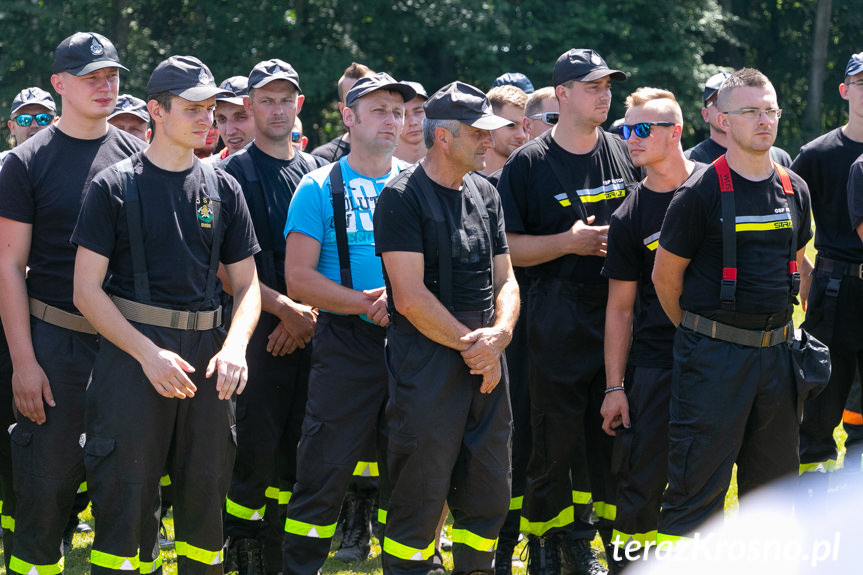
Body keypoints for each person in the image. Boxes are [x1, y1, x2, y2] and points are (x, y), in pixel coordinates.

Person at [72, 54, 261, 574]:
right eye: (194, 108)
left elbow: (247, 286)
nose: (208, 120)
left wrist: (236, 347)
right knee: (126, 506)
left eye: (213, 109)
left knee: (205, 506)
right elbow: (86, 292)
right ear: (156, 110)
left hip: (208, 360)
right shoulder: (114, 185)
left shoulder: (223, 187)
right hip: (133, 357)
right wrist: (148, 354)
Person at [0, 31, 146, 574]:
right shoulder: (26, 162)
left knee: (128, 489)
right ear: (60, 83)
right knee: (44, 490)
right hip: (54, 342)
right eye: (91, 78)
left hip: (126, 345)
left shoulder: (139, 155)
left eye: (111, 76)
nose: (105, 87)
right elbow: (10, 268)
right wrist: (23, 362)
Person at [497, 48, 639, 575]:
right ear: (561, 94)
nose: (605, 94)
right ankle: (550, 550)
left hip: (619, 311)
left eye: (608, 86)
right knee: (549, 441)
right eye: (592, 86)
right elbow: (505, 249)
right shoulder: (528, 163)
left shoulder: (624, 153)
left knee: (613, 439)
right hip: (551, 311)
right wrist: (568, 243)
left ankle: (610, 545)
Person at [653, 68, 810, 544]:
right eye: (750, 112)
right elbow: (665, 278)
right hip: (713, 361)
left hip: (779, 359)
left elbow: (800, 263)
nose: (765, 121)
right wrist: (707, 335)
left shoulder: (793, 188)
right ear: (722, 120)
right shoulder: (698, 193)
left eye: (771, 111)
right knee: (694, 494)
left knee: (775, 496)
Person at [375, 79, 519, 575]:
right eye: (478, 133)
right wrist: (474, 347)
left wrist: (499, 336)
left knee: (489, 487)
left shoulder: (486, 192)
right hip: (428, 365)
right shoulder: (401, 197)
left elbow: (507, 279)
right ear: (443, 137)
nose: (488, 141)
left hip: (486, 361)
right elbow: (410, 298)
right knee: (421, 489)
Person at [281, 72, 415, 575]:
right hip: (346, 342)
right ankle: (300, 566)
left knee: (409, 465)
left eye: (397, 111)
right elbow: (297, 279)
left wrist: (403, 302)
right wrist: (364, 302)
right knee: (323, 465)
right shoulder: (317, 186)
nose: (392, 120)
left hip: (412, 341)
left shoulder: (416, 184)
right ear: (348, 116)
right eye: (379, 110)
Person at [219, 58, 327, 575]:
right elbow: (223, 266)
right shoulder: (228, 175)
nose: (277, 109)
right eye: (266, 100)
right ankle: (243, 552)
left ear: (300, 106)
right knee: (252, 454)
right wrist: (285, 310)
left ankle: (280, 557)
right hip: (254, 336)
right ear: (249, 107)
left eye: (286, 99)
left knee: (297, 456)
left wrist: (305, 319)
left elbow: (330, 255)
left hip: (311, 334)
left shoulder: (315, 174)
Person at [598, 87, 700, 568]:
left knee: (704, 479)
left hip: (725, 357)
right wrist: (615, 387)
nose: (631, 139)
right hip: (657, 362)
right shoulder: (629, 214)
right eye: (625, 130)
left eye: (643, 130)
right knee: (641, 479)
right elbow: (619, 309)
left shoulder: (716, 186)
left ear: (675, 132)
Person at [793, 52, 863, 482]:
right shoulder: (818, 153)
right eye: (862, 82)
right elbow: (785, 215)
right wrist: (804, 271)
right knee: (821, 390)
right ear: (845, 90)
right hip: (834, 288)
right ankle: (813, 479)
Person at [685, 71, 793, 167]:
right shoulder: (690, 160)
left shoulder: (779, 158)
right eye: (719, 103)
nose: (725, 108)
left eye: (770, 110)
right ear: (705, 114)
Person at [310, 62, 374, 162]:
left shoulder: (396, 154)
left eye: (369, 96)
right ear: (342, 109)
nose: (362, 105)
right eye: (353, 98)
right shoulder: (322, 159)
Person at [2, 87, 57, 167]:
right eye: (24, 119)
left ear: (56, 124)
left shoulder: (71, 164)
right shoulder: (2, 167)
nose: (34, 125)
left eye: (43, 118)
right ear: (12, 127)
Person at [479, 85, 527, 177]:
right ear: (488, 124)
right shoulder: (460, 182)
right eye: (511, 125)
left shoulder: (530, 182)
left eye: (525, 127)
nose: (522, 135)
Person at [214, 76, 255, 160]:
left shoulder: (285, 167)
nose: (230, 131)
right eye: (222, 119)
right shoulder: (208, 170)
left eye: (240, 117)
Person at [394, 81, 429, 164]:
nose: (413, 122)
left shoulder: (448, 158)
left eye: (418, 111)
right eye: (403, 114)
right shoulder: (381, 165)